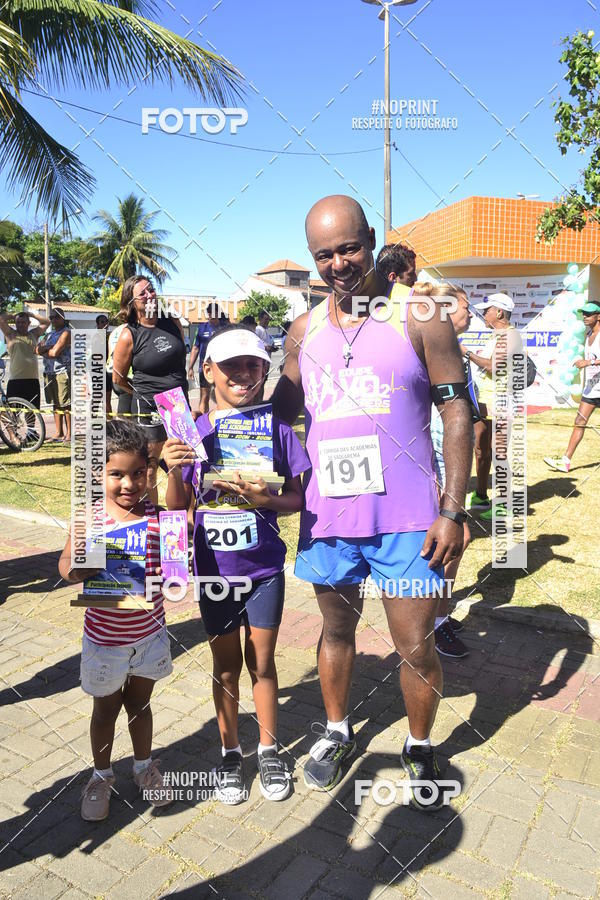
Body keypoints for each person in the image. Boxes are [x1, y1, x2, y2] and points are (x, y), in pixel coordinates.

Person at [272, 195, 472, 808]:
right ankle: (336, 732)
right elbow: (279, 416)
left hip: (409, 519)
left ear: (372, 240)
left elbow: (457, 408)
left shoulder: (420, 314)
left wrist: (454, 508)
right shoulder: (303, 332)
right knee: (336, 632)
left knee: (415, 644)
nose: (338, 265)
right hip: (329, 515)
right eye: (323, 255)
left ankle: (417, 744)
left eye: (349, 249)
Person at [163, 326, 309, 804]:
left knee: (262, 664)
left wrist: (270, 498)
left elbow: (297, 499)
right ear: (208, 372)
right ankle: (230, 753)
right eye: (231, 367)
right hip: (215, 570)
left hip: (264, 568)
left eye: (253, 365)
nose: (244, 375)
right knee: (225, 668)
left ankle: (267, 749)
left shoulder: (280, 431)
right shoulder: (192, 433)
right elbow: (177, 507)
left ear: (265, 371)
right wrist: (172, 468)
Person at [58, 419, 174, 821]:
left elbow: (173, 571)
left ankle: (143, 767)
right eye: (116, 474)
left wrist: (172, 570)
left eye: (138, 473)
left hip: (149, 634)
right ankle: (101, 775)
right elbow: (65, 569)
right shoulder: (89, 520)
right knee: (105, 710)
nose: (129, 484)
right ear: (98, 473)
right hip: (105, 639)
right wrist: (83, 567)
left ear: (149, 471)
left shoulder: (159, 517)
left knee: (140, 705)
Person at [415, 284, 481, 659]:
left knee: (457, 538)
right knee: (453, 539)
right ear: (441, 312)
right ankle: (433, 623)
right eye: (464, 308)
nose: (470, 314)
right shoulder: (429, 351)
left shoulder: (457, 351)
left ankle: (436, 615)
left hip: (452, 458)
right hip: (434, 459)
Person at [112, 276, 187, 504]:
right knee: (150, 468)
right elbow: (118, 378)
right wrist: (141, 394)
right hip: (148, 406)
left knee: (183, 464)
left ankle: (181, 519)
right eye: (142, 294)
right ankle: (152, 516)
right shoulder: (129, 334)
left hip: (177, 403)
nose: (149, 296)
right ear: (132, 302)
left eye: (151, 290)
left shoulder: (171, 321)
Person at [462, 292, 518, 520]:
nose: (484, 314)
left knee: (499, 454)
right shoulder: (495, 335)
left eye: (487, 310)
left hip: (501, 402)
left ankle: (504, 504)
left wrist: (467, 353)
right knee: (481, 450)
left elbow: (493, 367)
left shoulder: (511, 336)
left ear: (500, 312)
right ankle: (481, 496)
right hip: (483, 403)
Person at [544, 298, 600, 472]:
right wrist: (580, 361)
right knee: (579, 421)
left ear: (598, 316)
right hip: (592, 387)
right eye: (584, 313)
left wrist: (589, 363)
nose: (584, 316)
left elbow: (592, 361)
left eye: (589, 314)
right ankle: (565, 461)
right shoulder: (589, 334)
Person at [0, 308, 50, 409]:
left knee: (32, 414)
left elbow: (47, 322)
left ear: (28, 323)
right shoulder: (11, 334)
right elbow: (1, 319)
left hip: (32, 381)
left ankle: (30, 426)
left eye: (23, 322)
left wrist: (31, 314)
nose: (20, 325)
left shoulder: (34, 334)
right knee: (12, 414)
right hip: (16, 381)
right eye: (18, 322)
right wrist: (13, 315)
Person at [36, 307, 71, 443]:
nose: (53, 320)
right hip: (49, 372)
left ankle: (69, 434)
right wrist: (47, 348)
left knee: (66, 404)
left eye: (56, 317)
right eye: (51, 318)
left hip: (62, 372)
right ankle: (58, 432)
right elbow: (36, 349)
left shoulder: (66, 333)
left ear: (63, 317)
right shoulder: (49, 335)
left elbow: (55, 353)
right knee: (55, 403)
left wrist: (45, 350)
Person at [187, 304, 222, 415]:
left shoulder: (225, 327)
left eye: (214, 312)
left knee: (221, 396)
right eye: (209, 312)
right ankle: (203, 423)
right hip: (206, 369)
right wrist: (190, 367)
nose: (212, 315)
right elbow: (195, 348)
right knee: (204, 397)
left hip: (222, 367)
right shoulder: (202, 328)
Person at [107, 322, 132, 418]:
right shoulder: (132, 330)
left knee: (124, 413)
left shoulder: (116, 330)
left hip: (112, 371)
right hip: (127, 376)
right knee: (128, 417)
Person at [95, 313, 112, 414]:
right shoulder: (96, 337)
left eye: (106, 321)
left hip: (108, 371)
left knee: (107, 399)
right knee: (97, 399)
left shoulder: (110, 336)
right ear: (97, 324)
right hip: (98, 371)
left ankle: (109, 423)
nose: (105, 323)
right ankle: (93, 422)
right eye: (102, 322)